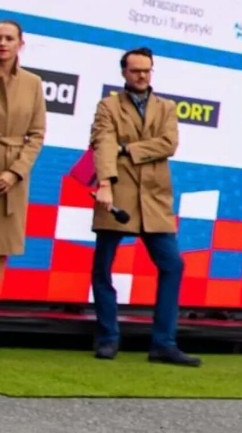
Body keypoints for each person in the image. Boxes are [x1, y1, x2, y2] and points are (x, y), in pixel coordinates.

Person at [89, 46, 200, 366]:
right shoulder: (108, 105)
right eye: (136, 70)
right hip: (118, 192)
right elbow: (103, 143)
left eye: (147, 70)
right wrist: (106, 184)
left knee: (172, 265)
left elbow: (169, 144)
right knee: (103, 267)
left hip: (154, 196)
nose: (142, 75)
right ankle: (108, 337)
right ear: (124, 72)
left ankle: (163, 343)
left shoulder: (166, 107)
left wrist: (128, 148)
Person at [0, 20, 46, 292]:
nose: (2, 43)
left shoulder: (32, 83)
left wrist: (15, 172)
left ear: (20, 44)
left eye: (8, 38)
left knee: (1, 248)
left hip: (11, 178)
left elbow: (37, 134)